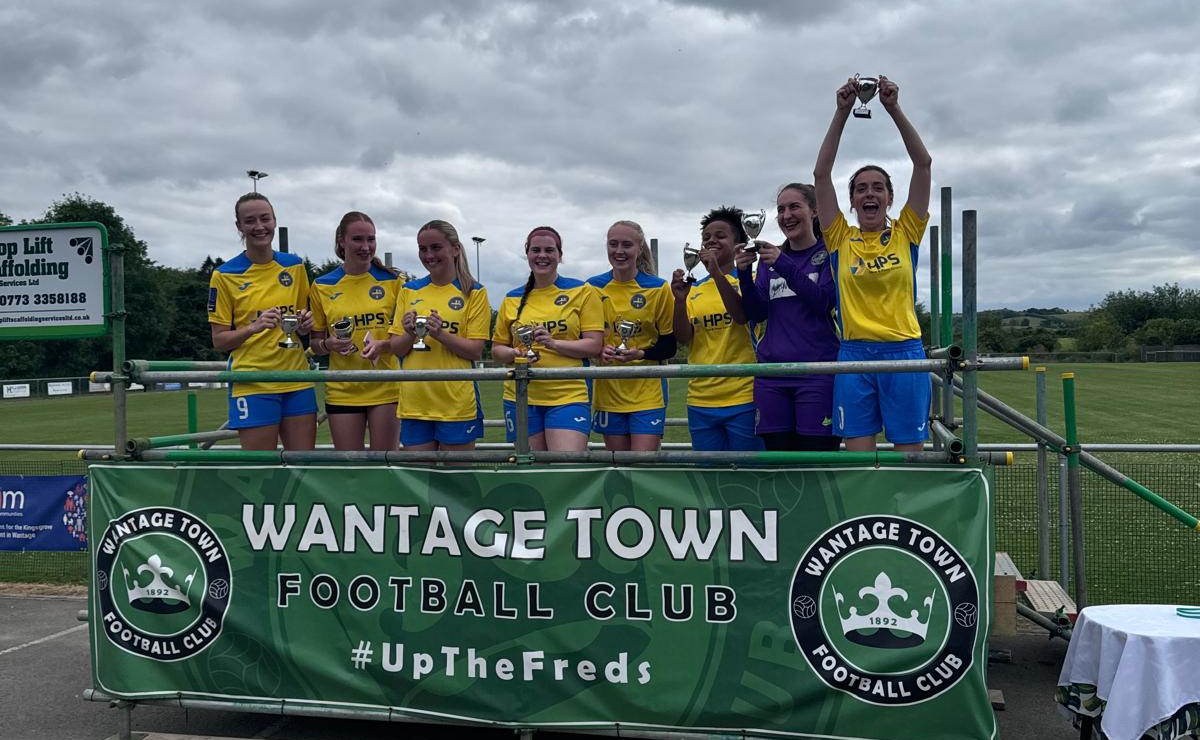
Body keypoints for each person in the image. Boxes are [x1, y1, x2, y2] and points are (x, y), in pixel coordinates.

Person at [813, 75, 933, 452]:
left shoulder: (906, 231)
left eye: (877, 187)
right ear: (851, 201)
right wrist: (841, 113)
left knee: (909, 459)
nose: (869, 193)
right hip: (854, 355)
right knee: (859, 462)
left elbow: (923, 163)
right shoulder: (839, 237)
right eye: (860, 188)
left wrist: (893, 109)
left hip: (904, 354)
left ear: (889, 197)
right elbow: (820, 175)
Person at [363, 220, 490, 451]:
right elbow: (397, 348)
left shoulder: (474, 292)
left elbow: (475, 350)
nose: (429, 255)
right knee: (421, 482)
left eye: (435, 247)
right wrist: (410, 334)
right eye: (423, 249)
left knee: (455, 484)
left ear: (455, 249)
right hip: (415, 403)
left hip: (456, 404)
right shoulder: (409, 290)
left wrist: (441, 334)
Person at [731, 183, 840, 451]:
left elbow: (824, 302)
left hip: (817, 372)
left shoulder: (829, 254)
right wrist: (745, 274)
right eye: (780, 209)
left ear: (814, 211)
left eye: (794, 207)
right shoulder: (771, 261)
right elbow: (756, 313)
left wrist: (784, 265)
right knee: (779, 463)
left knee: (816, 461)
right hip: (773, 375)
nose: (786, 215)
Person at [208, 192, 316, 451]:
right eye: (250, 221)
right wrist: (253, 328)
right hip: (253, 382)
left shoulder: (295, 267)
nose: (259, 227)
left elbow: (302, 327)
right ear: (239, 227)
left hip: (297, 379)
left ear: (275, 220)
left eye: (265, 218)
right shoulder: (224, 275)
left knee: (303, 467)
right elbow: (219, 340)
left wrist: (305, 323)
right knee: (261, 470)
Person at [492, 226, 604, 452]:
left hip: (568, 394)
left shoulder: (582, 291)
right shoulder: (512, 298)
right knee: (532, 471)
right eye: (536, 250)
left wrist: (554, 343)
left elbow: (594, 345)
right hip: (521, 396)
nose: (542, 255)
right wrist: (515, 354)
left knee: (566, 469)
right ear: (528, 254)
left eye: (549, 250)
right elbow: (497, 350)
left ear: (559, 256)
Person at [671, 207, 764, 452]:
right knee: (711, 476)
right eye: (706, 237)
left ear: (738, 244)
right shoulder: (695, 289)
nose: (711, 240)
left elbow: (742, 317)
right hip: (700, 397)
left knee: (749, 472)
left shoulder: (750, 280)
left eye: (720, 235)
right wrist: (679, 302)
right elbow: (684, 337)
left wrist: (716, 273)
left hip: (744, 395)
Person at [309, 211, 401, 451]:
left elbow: (405, 338)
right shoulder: (322, 285)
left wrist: (384, 345)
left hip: (386, 387)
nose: (366, 246)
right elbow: (315, 343)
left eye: (371, 239)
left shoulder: (392, 282)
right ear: (341, 241)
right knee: (351, 469)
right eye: (358, 239)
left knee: (385, 466)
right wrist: (329, 344)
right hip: (343, 389)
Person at [587, 221, 676, 451]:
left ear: (639, 249)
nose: (619, 251)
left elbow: (669, 345)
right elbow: (584, 337)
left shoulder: (658, 288)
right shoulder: (591, 288)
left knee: (643, 467)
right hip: (608, 394)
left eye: (627, 245)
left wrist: (640, 353)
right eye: (613, 244)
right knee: (620, 468)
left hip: (648, 394)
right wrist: (598, 350)